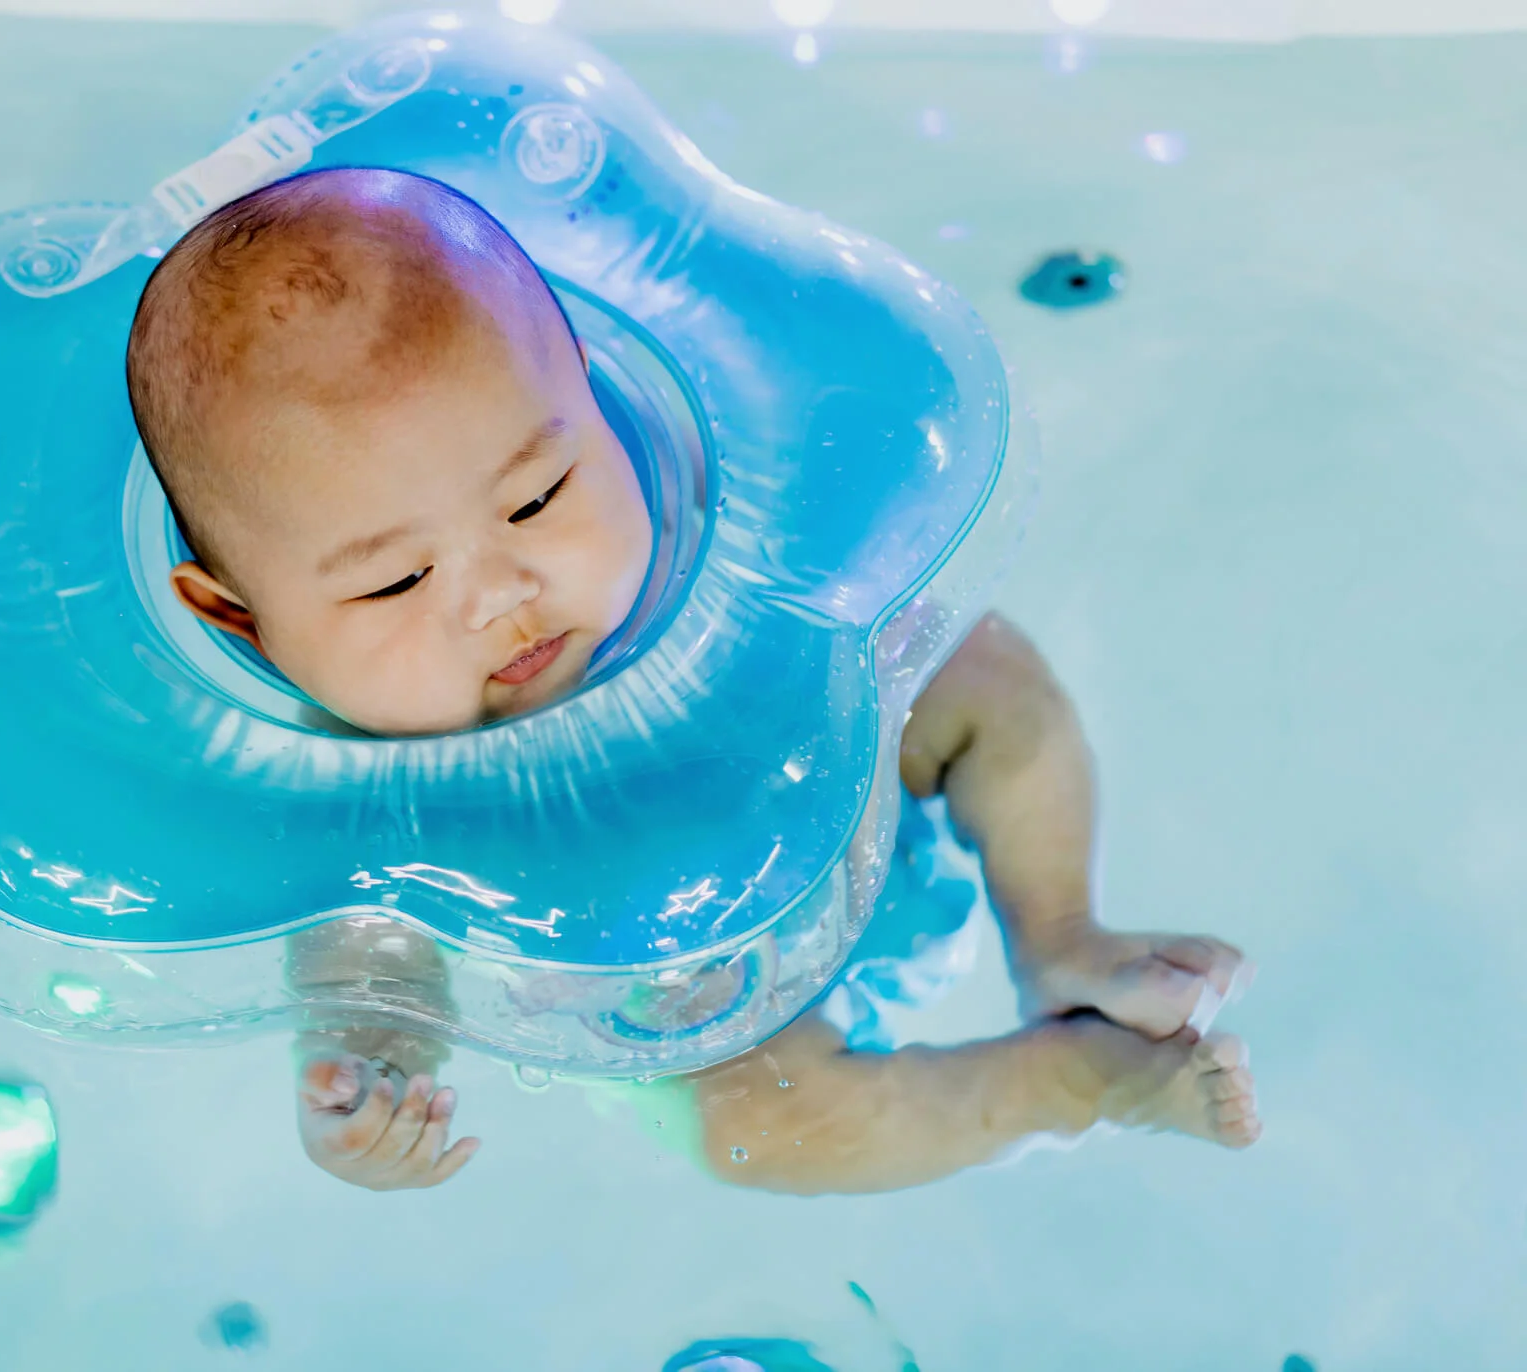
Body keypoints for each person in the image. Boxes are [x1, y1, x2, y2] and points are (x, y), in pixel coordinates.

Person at [124, 167, 1259, 1193]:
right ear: (245, 623)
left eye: (535, 498)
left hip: (857, 799)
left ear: (598, 405)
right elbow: (367, 981)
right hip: (705, 1011)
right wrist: (367, 1090)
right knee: (765, 1130)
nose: (500, 593)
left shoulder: (705, 530)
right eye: (397, 581)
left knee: (982, 670)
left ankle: (1061, 933)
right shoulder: (342, 795)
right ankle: (1071, 1083)